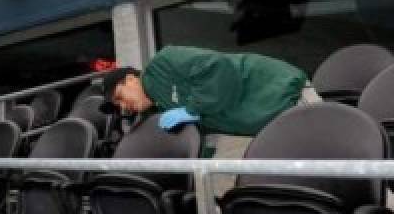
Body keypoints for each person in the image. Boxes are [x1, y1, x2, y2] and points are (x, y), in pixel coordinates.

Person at [99, 45, 320, 159]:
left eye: (119, 97)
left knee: (336, 161)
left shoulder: (164, 61)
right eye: (117, 107)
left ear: (130, 79)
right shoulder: (160, 109)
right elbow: (211, 139)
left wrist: (192, 109)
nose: (123, 106)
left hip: (284, 95)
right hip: (268, 125)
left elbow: (219, 68)